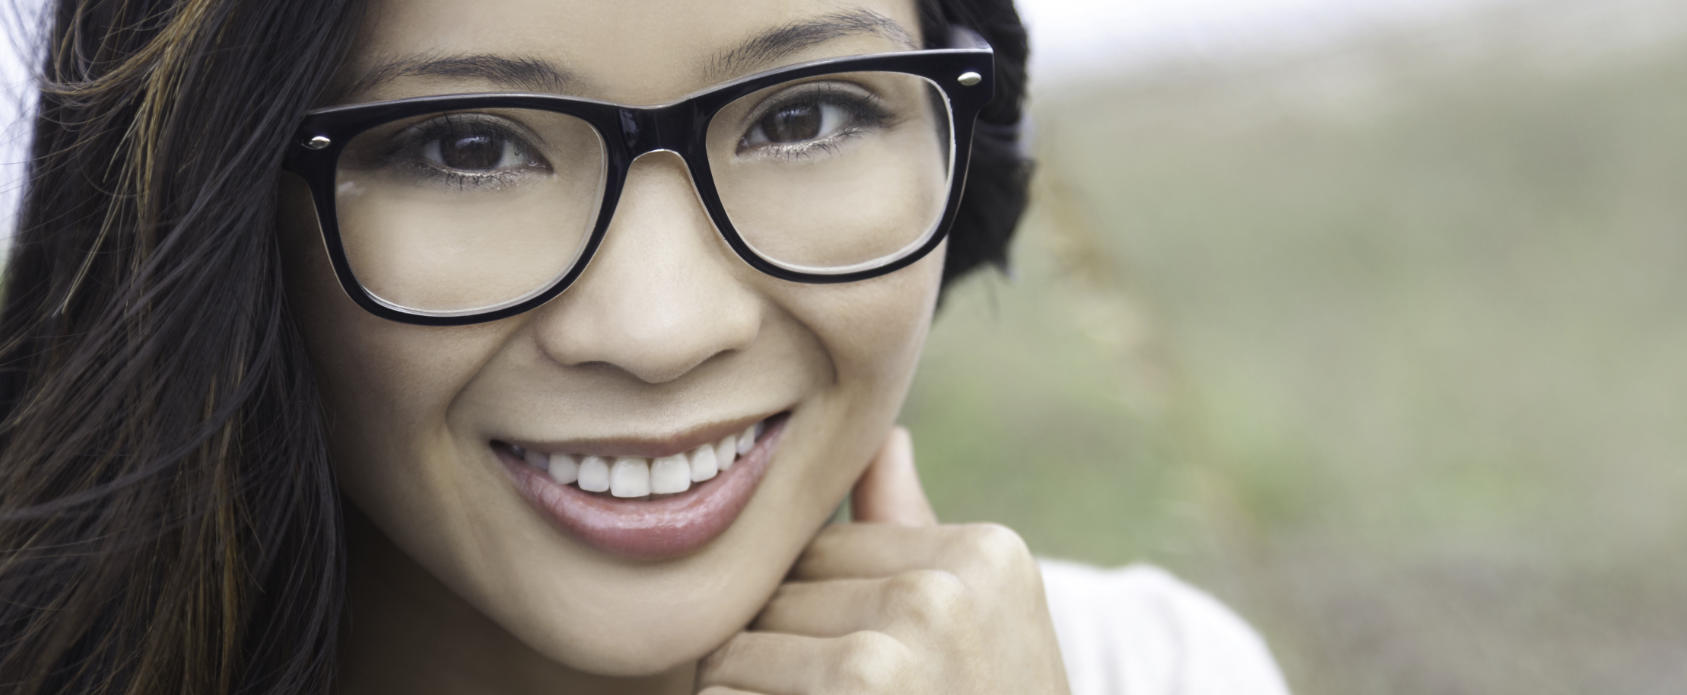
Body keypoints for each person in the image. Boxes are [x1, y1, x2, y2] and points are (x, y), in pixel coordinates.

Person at [0, 0, 1288, 692]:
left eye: (807, 114)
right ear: (220, 208)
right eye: (469, 145)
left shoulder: (1140, 671)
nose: (660, 331)